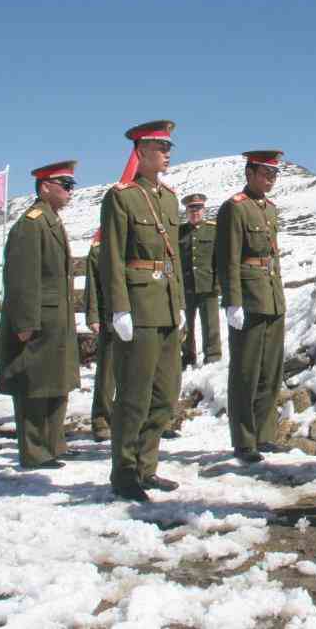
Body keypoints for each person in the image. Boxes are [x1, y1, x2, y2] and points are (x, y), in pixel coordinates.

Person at [99, 121, 186, 501]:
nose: (168, 152)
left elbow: (174, 258)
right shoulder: (121, 197)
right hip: (137, 305)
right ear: (140, 152)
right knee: (134, 396)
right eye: (159, 146)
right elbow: (112, 256)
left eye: (169, 146)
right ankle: (124, 473)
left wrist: (179, 302)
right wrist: (119, 308)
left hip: (165, 306)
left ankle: (147, 465)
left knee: (166, 394)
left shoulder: (168, 198)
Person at [0, 162, 81, 469]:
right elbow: (21, 278)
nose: (71, 191)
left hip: (56, 320)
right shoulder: (32, 224)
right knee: (33, 386)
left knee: (56, 383)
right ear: (45, 187)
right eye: (65, 185)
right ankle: (34, 451)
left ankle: (54, 444)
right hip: (38, 321)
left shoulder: (50, 221)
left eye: (71, 185)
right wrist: (25, 323)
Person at [217, 151, 287, 463]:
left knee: (270, 371)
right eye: (265, 173)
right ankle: (244, 440)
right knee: (246, 370)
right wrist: (233, 301)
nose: (270, 179)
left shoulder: (269, 209)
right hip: (249, 297)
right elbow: (228, 258)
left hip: (271, 296)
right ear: (249, 172)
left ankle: (265, 434)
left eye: (274, 174)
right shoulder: (235, 208)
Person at [179, 193, 222, 368]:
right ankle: (188, 357)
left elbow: (220, 258)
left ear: (204, 210)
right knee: (185, 325)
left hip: (207, 284)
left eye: (198, 208)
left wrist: (218, 283)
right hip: (186, 286)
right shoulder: (179, 232)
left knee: (211, 324)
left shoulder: (213, 230)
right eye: (191, 209)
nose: (195, 212)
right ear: (186, 211)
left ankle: (212, 357)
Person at [85, 229, 114, 442]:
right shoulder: (99, 250)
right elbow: (92, 286)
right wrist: (93, 316)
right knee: (107, 372)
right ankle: (101, 420)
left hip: (141, 314)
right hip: (110, 317)